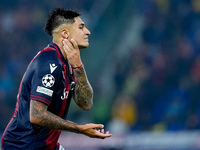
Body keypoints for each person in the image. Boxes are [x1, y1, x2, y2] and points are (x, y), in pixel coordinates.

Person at [1, 8, 112, 150]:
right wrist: (80, 129)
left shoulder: (68, 63)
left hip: (45, 145)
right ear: (65, 33)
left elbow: (86, 103)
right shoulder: (49, 63)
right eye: (81, 27)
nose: (87, 32)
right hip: (23, 146)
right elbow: (37, 114)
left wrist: (78, 66)